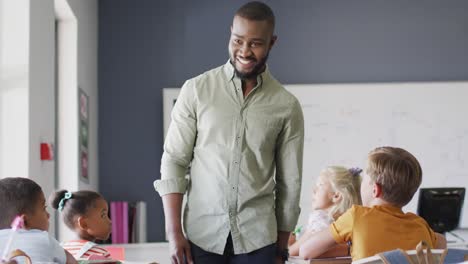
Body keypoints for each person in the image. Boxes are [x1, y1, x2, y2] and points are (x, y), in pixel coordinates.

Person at [153, 1, 304, 263]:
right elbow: (175, 161)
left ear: (272, 43)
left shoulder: (286, 106)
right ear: (230, 35)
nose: (244, 51)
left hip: (259, 242)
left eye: (256, 43)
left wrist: (281, 247)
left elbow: (289, 182)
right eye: (238, 40)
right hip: (201, 238)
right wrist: (173, 232)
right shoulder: (196, 90)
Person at [298, 146, 447, 261]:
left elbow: (305, 251)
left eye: (365, 181)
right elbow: (441, 244)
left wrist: (351, 246)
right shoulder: (420, 225)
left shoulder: (356, 216)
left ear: (375, 189)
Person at [0, 177, 77, 264]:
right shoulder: (42, 237)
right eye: (44, 208)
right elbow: (73, 262)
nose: (48, 215)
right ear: (24, 222)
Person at [288, 166, 362, 256]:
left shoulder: (319, 223)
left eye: (320, 185)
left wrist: (288, 244)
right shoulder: (347, 223)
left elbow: (292, 252)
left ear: (336, 196)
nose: (314, 190)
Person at [50, 190, 112, 260]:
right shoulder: (100, 253)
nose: (110, 221)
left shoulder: (58, 250)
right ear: (83, 223)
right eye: (103, 215)